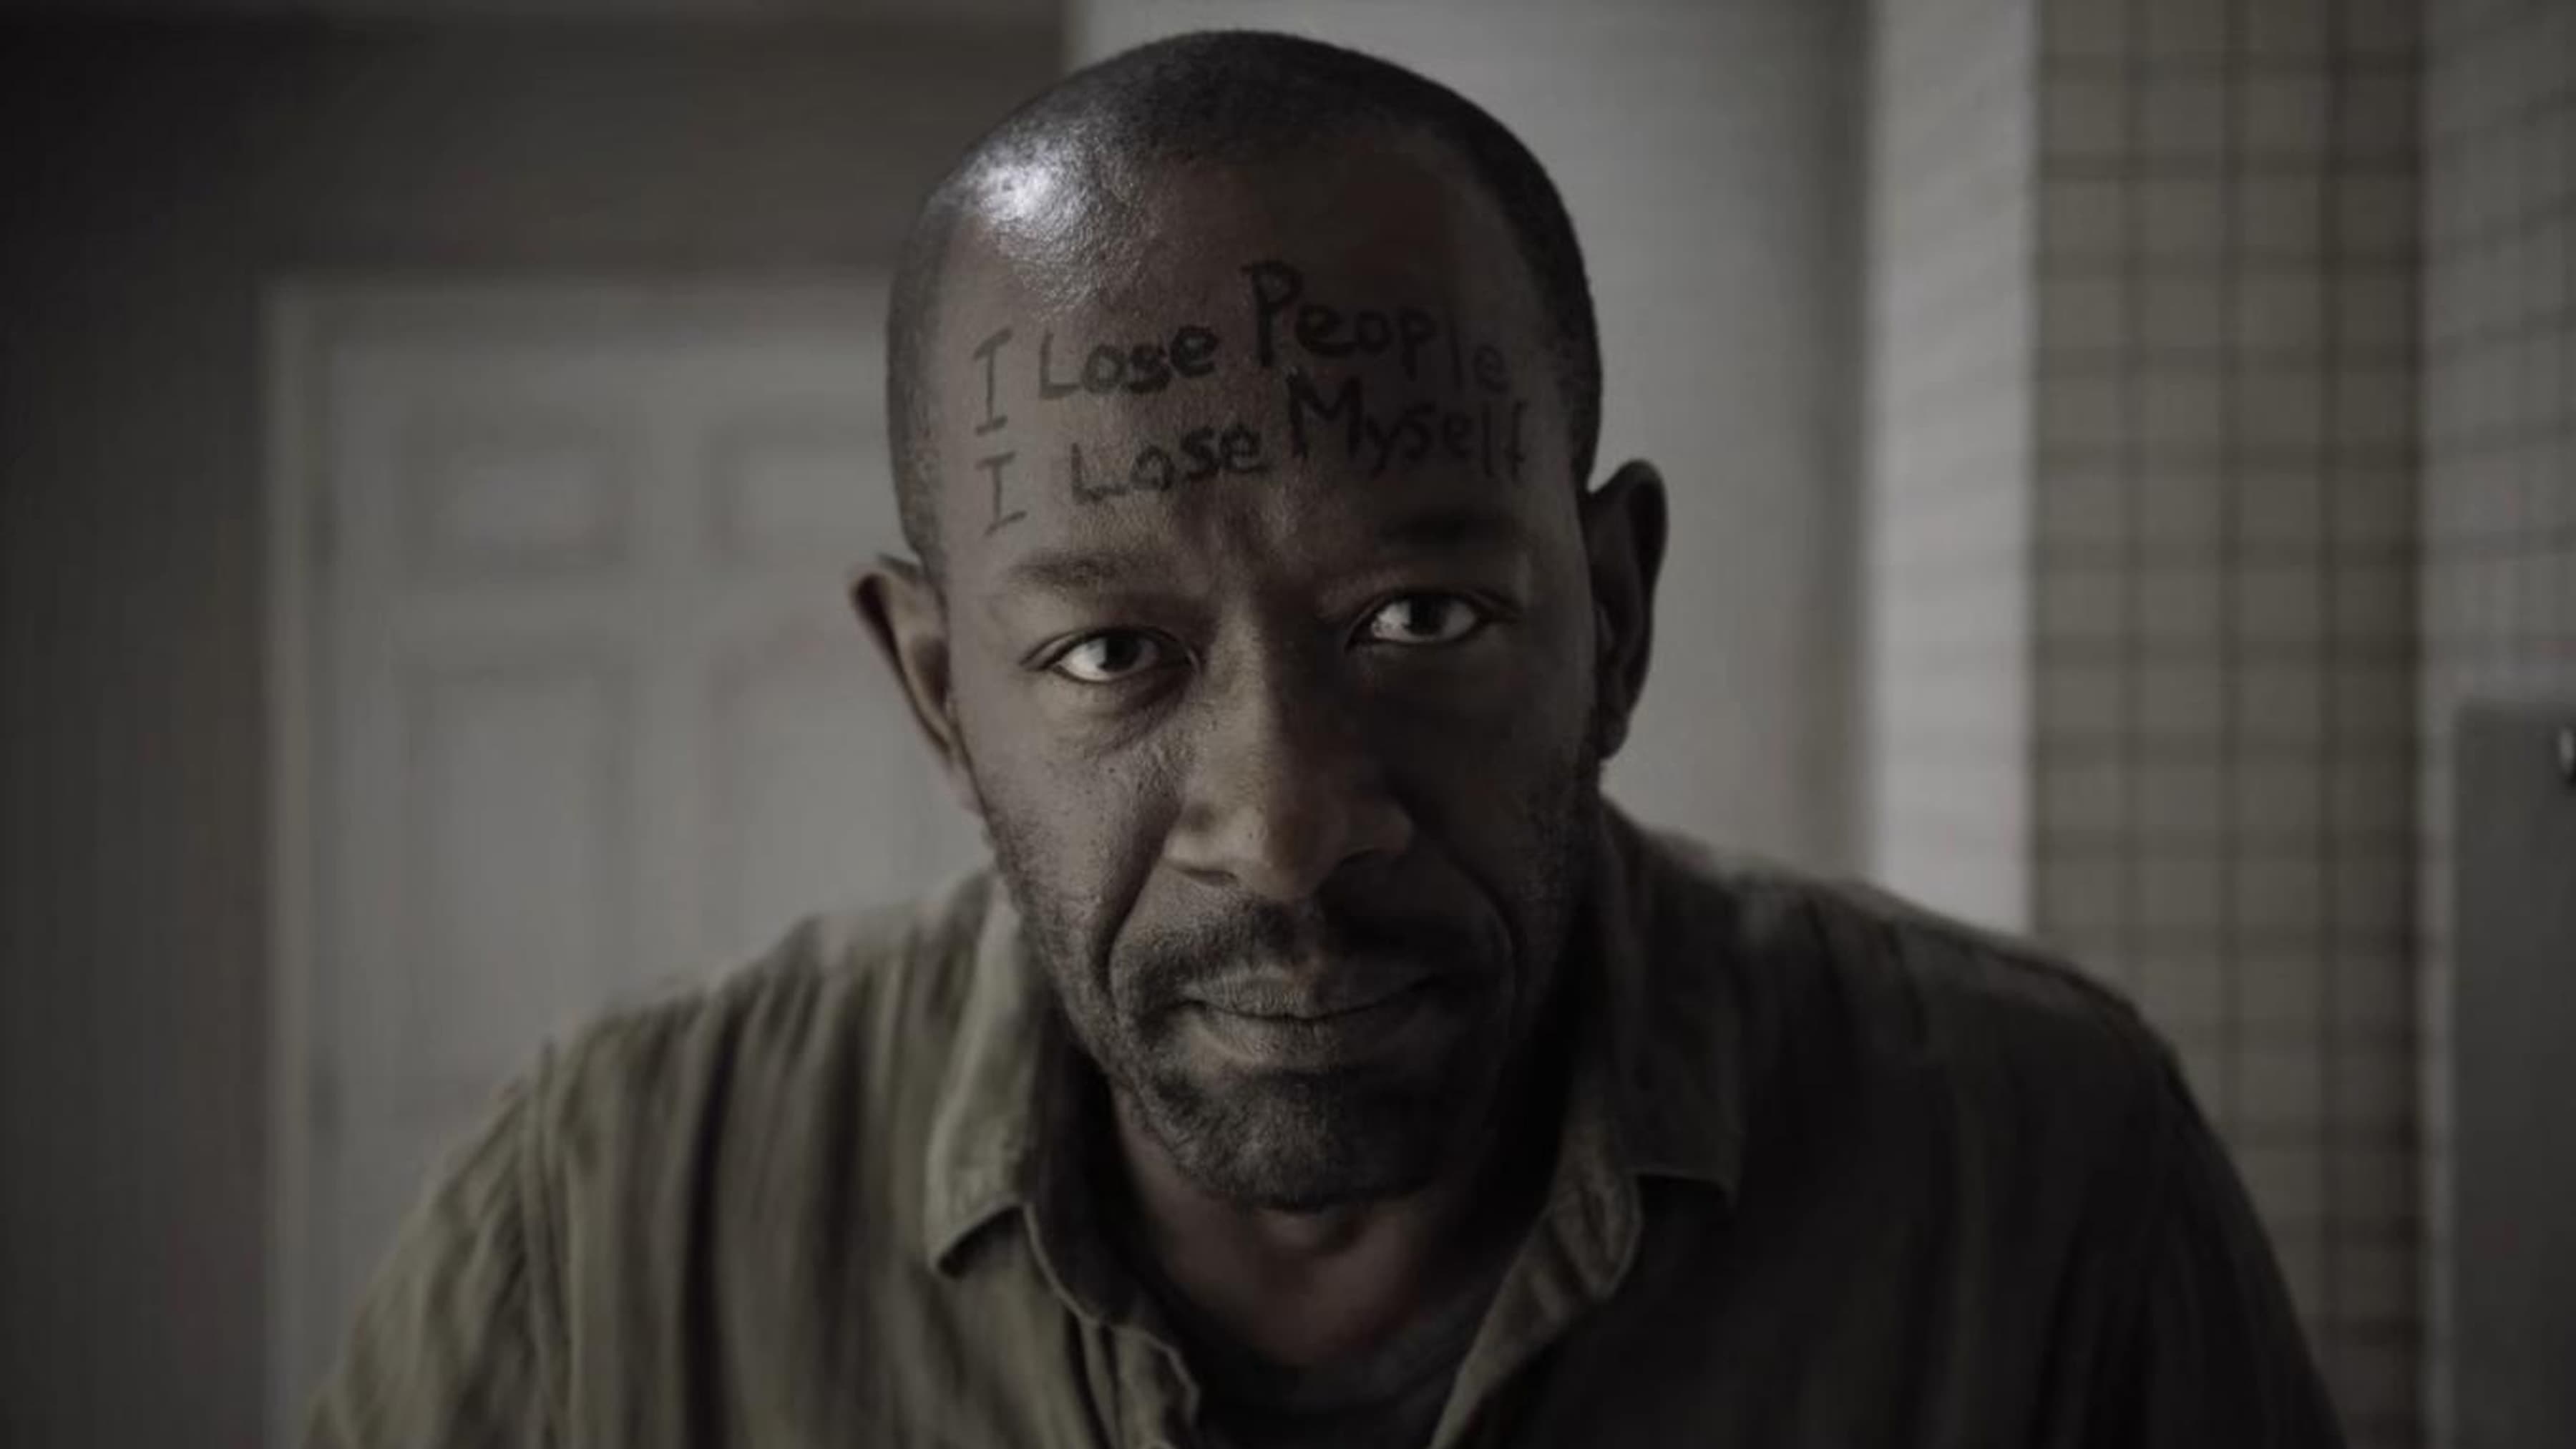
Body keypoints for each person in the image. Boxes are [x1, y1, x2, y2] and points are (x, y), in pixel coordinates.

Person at [309, 30, 2343, 1449]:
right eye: (1112, 653)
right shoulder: (602, 1231)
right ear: (941, 695)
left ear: (1613, 619)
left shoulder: (2044, 1181)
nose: (1285, 828)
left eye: (1421, 619)